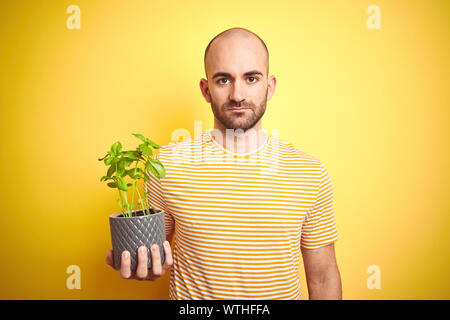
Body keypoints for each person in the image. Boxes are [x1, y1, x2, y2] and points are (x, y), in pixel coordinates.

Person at [106, 27, 342, 300]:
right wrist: (142, 266)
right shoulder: (168, 164)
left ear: (270, 86)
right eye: (223, 80)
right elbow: (152, 257)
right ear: (206, 90)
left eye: (251, 78)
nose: (237, 95)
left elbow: (324, 279)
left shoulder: (309, 172)